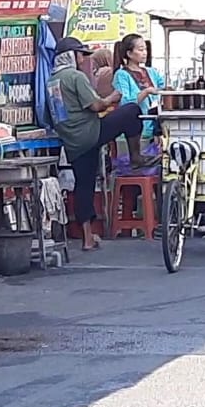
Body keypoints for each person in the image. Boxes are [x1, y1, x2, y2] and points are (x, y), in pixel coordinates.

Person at [47, 36, 159, 252]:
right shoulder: (75, 77)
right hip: (90, 133)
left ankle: (88, 238)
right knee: (131, 111)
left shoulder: (51, 81)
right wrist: (113, 98)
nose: (82, 59)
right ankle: (136, 157)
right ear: (70, 56)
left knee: (84, 185)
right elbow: (97, 106)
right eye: (80, 54)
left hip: (72, 142)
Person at [111, 33, 167, 142]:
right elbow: (125, 104)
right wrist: (146, 92)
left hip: (156, 128)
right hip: (136, 133)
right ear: (129, 53)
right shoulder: (121, 75)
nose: (144, 53)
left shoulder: (152, 72)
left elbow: (163, 88)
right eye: (141, 50)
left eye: (145, 49)